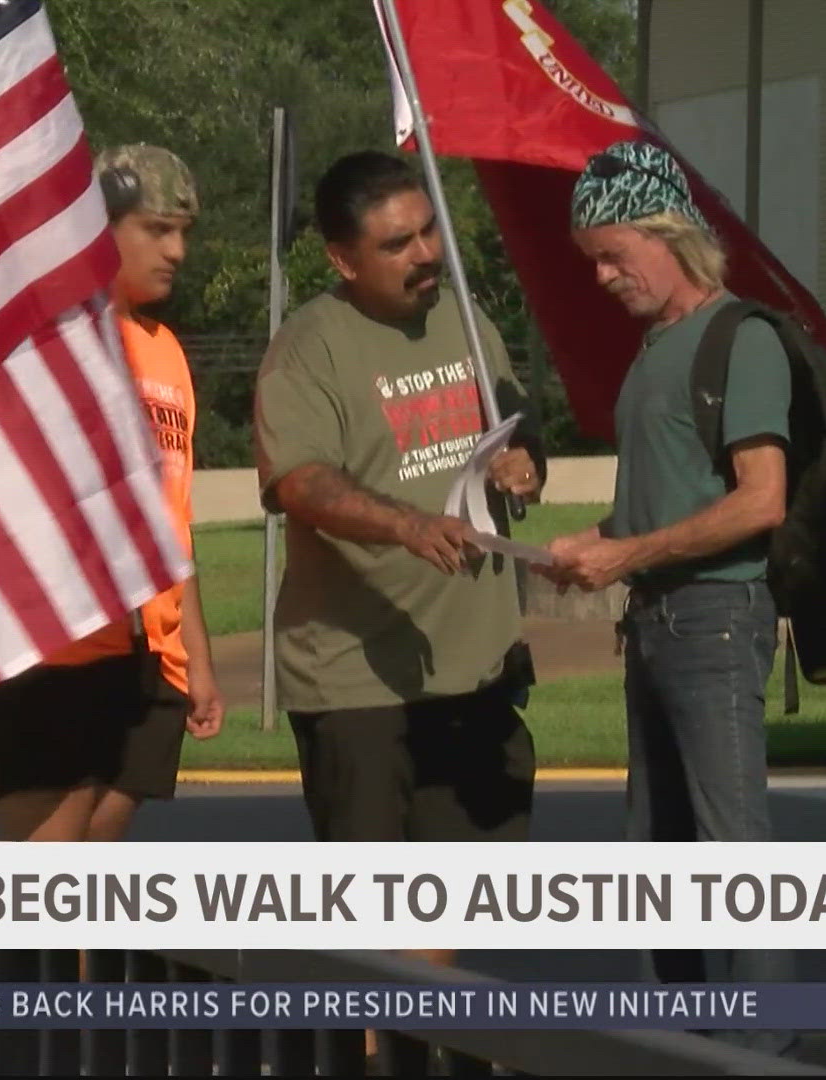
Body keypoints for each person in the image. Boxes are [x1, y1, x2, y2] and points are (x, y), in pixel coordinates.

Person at [546, 139, 797, 1052]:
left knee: (734, 849)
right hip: (653, 620)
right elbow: (665, 502)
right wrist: (597, 548)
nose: (606, 276)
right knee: (655, 853)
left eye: (616, 255)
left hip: (716, 620)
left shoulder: (742, 339)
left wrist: (630, 554)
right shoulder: (656, 349)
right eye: (595, 261)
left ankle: (767, 1049)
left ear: (671, 234)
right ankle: (671, 1043)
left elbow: (759, 500)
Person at [253, 149, 546, 862]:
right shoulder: (308, 350)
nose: (425, 255)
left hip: (476, 668)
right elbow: (300, 481)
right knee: (373, 922)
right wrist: (406, 526)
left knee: (461, 903)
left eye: (428, 232)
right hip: (360, 684)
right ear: (343, 260)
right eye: (397, 244)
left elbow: (517, 424)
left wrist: (527, 463)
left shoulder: (466, 319)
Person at [0, 144, 223, 843]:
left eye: (184, 233)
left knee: (90, 884)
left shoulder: (165, 351)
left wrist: (195, 657)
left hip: (148, 660)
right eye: (156, 229)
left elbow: (175, 520)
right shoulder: (41, 341)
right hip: (49, 652)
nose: (176, 250)